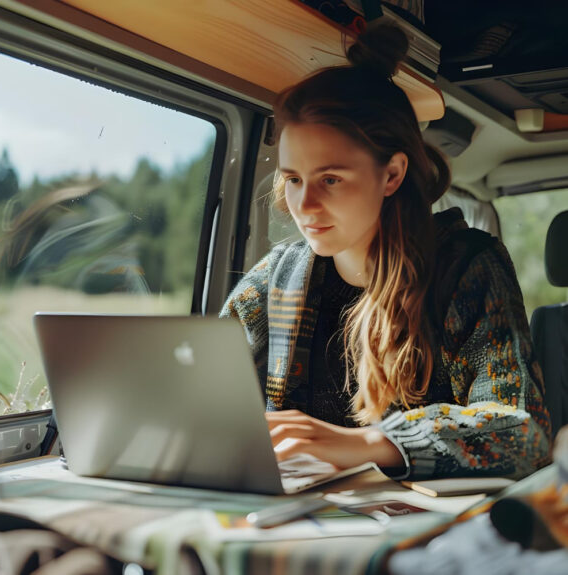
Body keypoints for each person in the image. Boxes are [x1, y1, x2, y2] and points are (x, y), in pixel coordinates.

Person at [220, 22, 551, 480]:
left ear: (392, 174)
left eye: (330, 179)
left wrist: (372, 444)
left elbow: (523, 433)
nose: (305, 205)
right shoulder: (277, 278)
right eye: (294, 179)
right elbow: (204, 394)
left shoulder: (467, 269)